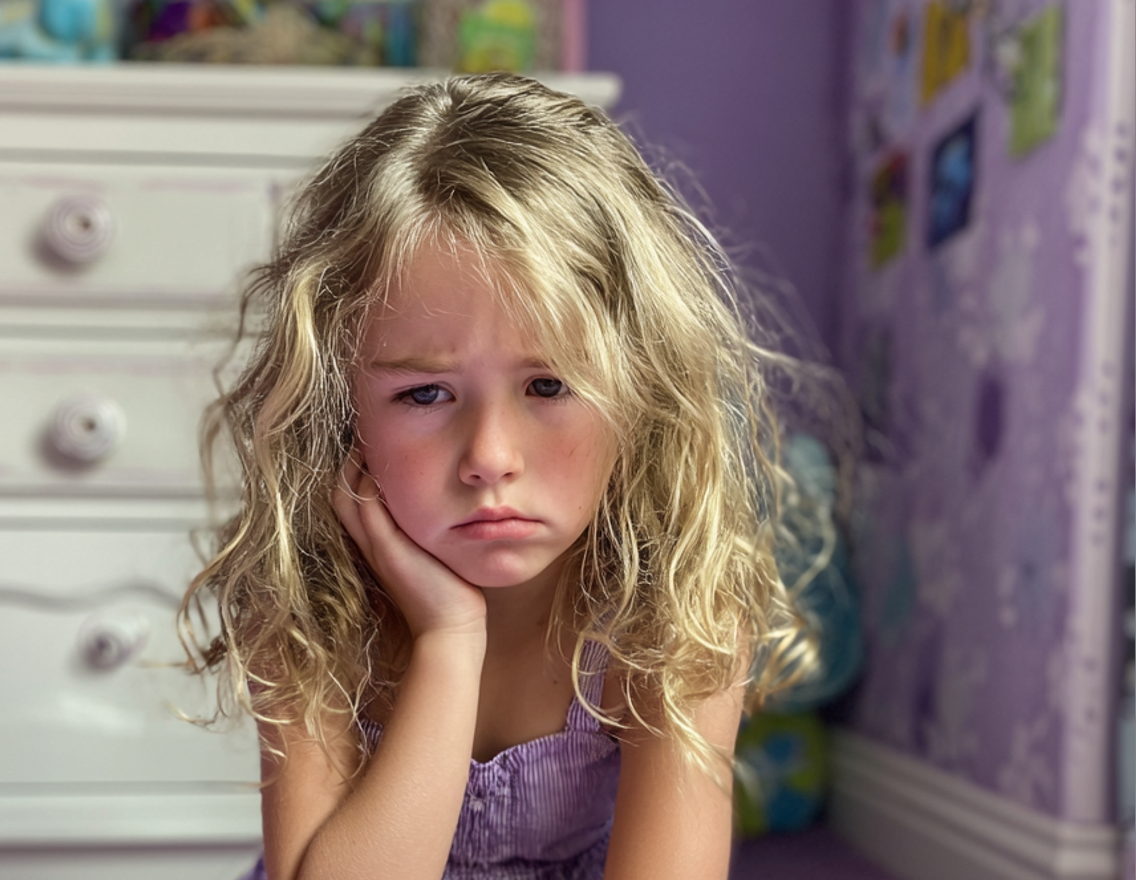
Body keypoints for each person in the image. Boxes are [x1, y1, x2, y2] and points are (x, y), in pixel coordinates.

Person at [183, 72, 819, 880]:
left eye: (548, 386)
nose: (489, 457)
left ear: (642, 391)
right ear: (340, 412)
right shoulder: (309, 609)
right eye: (424, 394)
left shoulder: (670, 611)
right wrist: (449, 642)